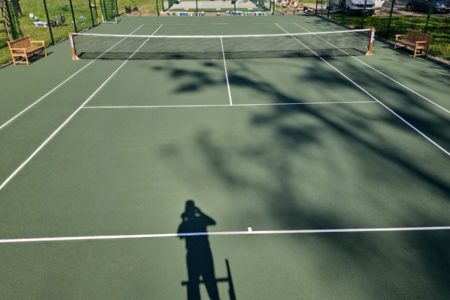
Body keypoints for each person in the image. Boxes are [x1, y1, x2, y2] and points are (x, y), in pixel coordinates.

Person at [178, 200, 220, 300]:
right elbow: (180, 235)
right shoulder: (199, 220)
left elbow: (180, 235)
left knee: (200, 283)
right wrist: (200, 214)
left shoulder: (192, 222)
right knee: (206, 282)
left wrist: (185, 220)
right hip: (202, 254)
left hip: (197, 255)